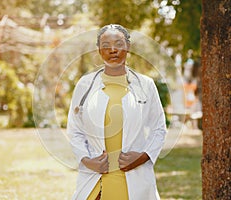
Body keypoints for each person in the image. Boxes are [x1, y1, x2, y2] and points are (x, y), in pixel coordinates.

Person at [67, 24, 167, 200]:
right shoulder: (85, 85)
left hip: (134, 178)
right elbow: (75, 130)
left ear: (128, 46)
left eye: (119, 44)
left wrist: (143, 157)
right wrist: (87, 160)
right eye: (105, 45)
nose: (112, 50)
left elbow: (159, 128)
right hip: (95, 179)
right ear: (99, 50)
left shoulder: (146, 85)